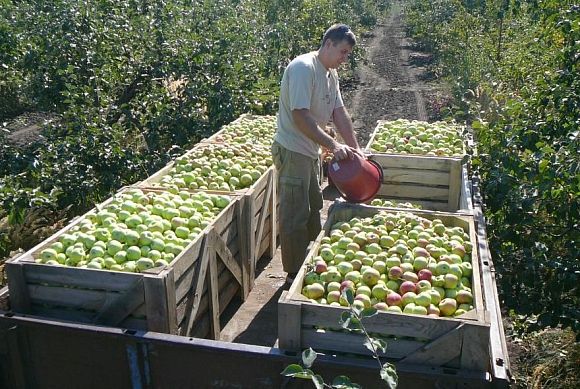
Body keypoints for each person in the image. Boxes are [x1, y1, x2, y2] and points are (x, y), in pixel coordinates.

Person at [272, 23, 362, 283]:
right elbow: (300, 117)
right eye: (343, 52)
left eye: (348, 54)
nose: (345, 59)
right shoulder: (304, 68)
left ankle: (307, 261)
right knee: (294, 214)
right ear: (329, 44)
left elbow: (339, 113)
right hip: (293, 150)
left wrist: (355, 149)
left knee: (312, 206)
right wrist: (333, 145)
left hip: (310, 150)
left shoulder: (329, 74)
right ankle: (292, 274)